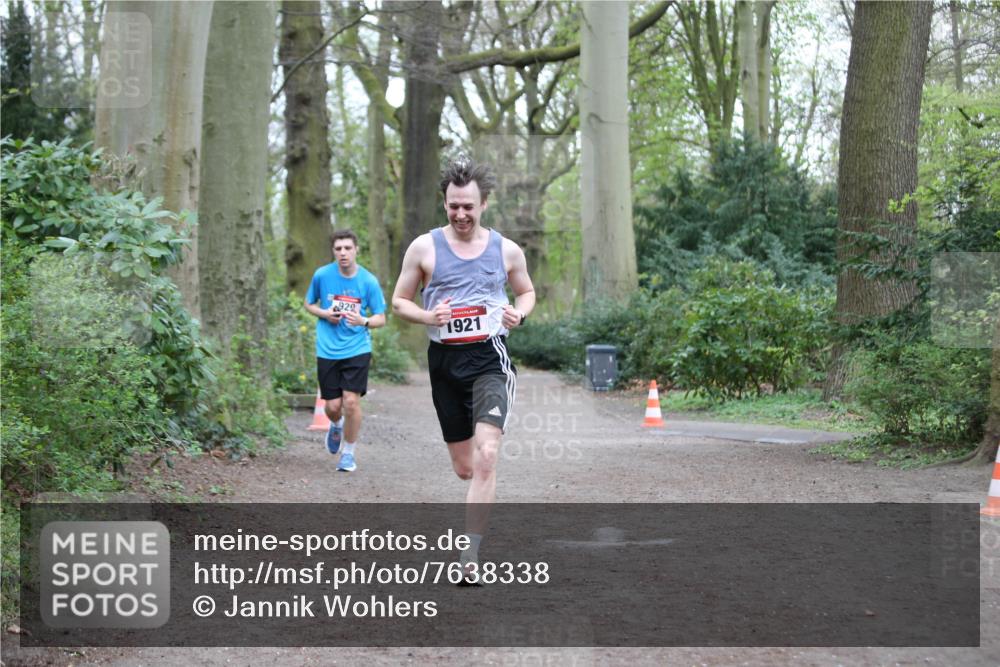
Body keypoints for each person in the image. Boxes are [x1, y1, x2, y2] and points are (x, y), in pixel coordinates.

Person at [392, 157, 535, 574]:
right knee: (466, 468)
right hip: (445, 363)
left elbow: (526, 293)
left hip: (490, 358)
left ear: (484, 203)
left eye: (468, 206)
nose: (460, 214)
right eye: (453, 206)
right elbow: (399, 301)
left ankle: (469, 555)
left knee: (487, 455)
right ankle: (478, 496)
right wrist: (428, 317)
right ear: (445, 203)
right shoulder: (423, 247)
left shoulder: (506, 250)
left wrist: (518, 314)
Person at [304, 229, 387, 472]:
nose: (343, 253)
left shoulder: (368, 281)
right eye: (338, 248)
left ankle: (348, 454)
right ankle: (337, 425)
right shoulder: (322, 275)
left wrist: (364, 321)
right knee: (332, 407)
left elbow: (381, 317)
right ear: (333, 251)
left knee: (351, 402)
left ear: (356, 250)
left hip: (357, 348)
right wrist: (325, 314)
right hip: (328, 349)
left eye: (347, 248)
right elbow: (308, 304)